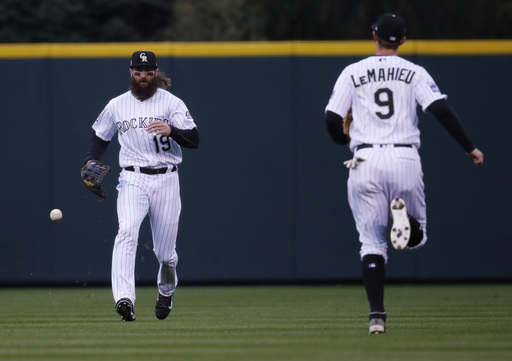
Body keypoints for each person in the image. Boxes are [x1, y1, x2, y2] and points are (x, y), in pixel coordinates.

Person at [324, 14, 483, 334]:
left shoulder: (352, 72)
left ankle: (376, 318)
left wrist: (345, 141)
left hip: (364, 158)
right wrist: (469, 147)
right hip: (404, 156)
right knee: (416, 239)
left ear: (374, 36)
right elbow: (440, 110)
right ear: (404, 41)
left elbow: (331, 118)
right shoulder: (414, 72)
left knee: (371, 243)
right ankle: (405, 221)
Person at [83, 50, 199, 321]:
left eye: (148, 72)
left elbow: (194, 139)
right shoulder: (116, 105)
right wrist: (90, 160)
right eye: (139, 71)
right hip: (132, 177)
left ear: (156, 73)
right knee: (127, 232)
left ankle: (167, 290)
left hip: (167, 178)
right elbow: (100, 138)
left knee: (166, 254)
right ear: (131, 72)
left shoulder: (171, 103)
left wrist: (173, 131)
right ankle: (124, 299)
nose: (144, 76)